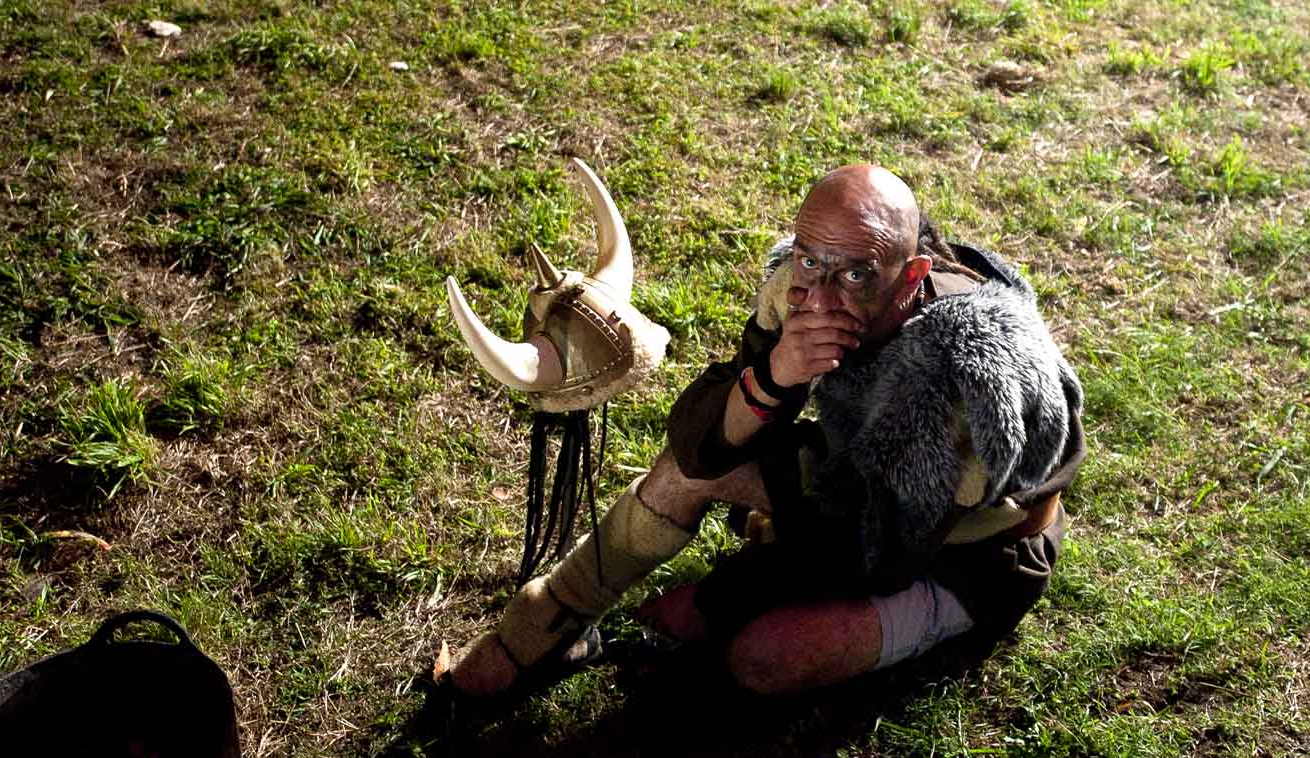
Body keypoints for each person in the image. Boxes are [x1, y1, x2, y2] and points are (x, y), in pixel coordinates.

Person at [446, 164, 1085, 698]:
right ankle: (549, 617)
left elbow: (877, 555)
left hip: (969, 552)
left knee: (763, 658)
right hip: (858, 476)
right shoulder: (800, 285)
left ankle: (939, 619)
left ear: (910, 277)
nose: (822, 297)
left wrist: (719, 597)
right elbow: (699, 443)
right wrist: (775, 374)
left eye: (856, 274)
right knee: (685, 474)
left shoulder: (958, 380)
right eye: (810, 259)